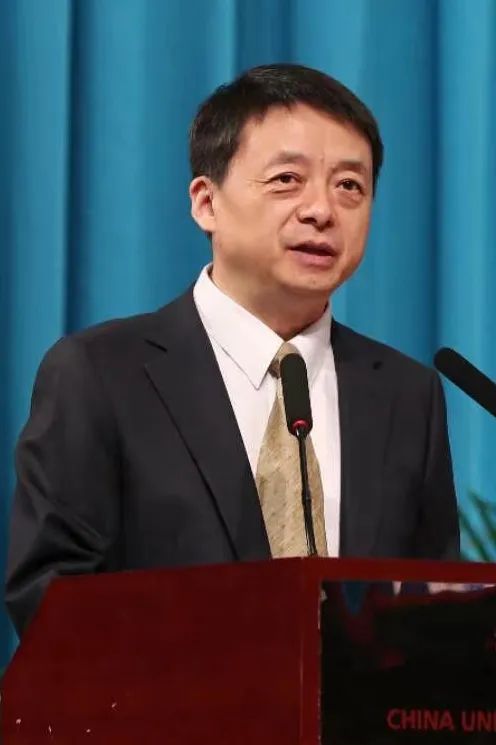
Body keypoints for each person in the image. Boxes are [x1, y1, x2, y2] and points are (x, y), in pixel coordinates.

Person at [5, 63, 459, 637]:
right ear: (206, 203)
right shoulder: (100, 375)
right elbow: (51, 600)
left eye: (350, 186)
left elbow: (433, 609)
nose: (322, 210)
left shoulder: (406, 394)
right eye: (287, 179)